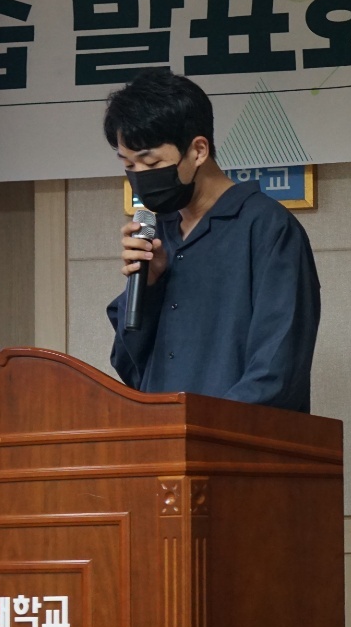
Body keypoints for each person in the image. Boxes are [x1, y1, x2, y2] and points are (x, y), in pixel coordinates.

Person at [103, 68, 320, 412]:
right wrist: (149, 285)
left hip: (235, 439)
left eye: (150, 162)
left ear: (198, 150)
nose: (138, 176)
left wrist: (207, 424)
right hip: (164, 434)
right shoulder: (156, 236)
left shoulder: (267, 228)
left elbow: (278, 367)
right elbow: (131, 366)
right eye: (128, 163)